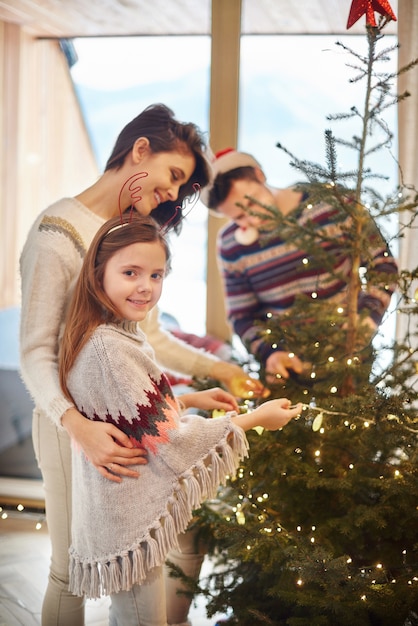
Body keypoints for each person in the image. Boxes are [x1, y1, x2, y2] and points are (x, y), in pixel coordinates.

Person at [19, 106, 263, 626]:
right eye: (175, 176)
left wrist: (218, 373)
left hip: (130, 431)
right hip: (70, 429)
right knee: (71, 572)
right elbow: (36, 352)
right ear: (140, 151)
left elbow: (149, 339)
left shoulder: (133, 233)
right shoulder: (59, 230)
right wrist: (77, 426)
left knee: (136, 566)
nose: (175, 195)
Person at [58, 213, 302, 626]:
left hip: (122, 511)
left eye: (156, 275)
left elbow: (132, 416)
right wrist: (256, 420)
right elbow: (169, 441)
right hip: (128, 519)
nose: (145, 286)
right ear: (98, 274)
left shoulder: (112, 332)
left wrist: (186, 398)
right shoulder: (108, 347)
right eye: (130, 272)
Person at [200, 148, 399, 383]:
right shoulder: (231, 244)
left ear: (259, 175)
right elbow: (242, 315)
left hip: (350, 360)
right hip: (286, 372)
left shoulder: (332, 203)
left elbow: (383, 266)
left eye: (251, 204)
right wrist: (271, 353)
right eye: (239, 217)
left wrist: (364, 323)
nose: (252, 219)